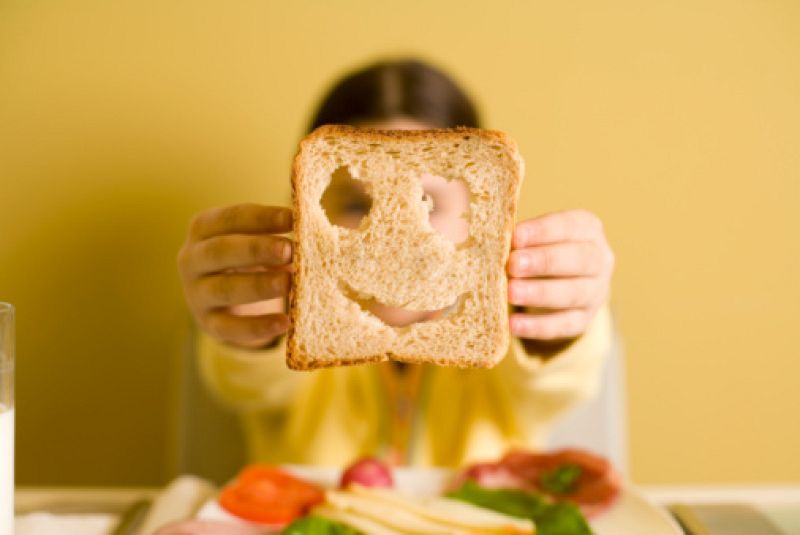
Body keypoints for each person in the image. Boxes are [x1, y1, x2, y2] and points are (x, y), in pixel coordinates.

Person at [177, 59, 615, 467]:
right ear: (307, 209)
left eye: (430, 203)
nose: (396, 241)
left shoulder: (503, 340)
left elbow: (556, 381)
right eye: (356, 205)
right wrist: (252, 329)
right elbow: (250, 383)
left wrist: (552, 322)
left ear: (483, 212)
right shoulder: (297, 326)